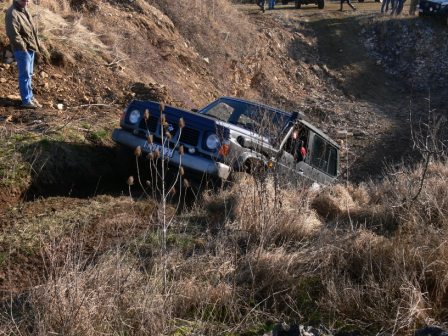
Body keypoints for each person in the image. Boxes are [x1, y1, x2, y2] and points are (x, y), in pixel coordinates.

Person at [5, 0, 42, 109]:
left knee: (29, 74)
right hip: (22, 50)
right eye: (24, 0)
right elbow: (13, 35)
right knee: (24, 76)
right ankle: (26, 100)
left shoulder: (24, 9)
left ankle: (30, 97)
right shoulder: (12, 13)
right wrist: (24, 48)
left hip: (30, 47)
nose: (26, 1)